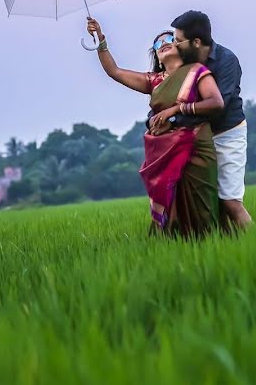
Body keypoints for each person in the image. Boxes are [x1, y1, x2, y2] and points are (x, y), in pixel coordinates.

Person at [86, 17, 235, 238]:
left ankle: (213, 246)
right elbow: (114, 71)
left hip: (196, 147)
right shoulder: (154, 81)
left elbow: (215, 103)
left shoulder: (196, 71)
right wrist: (100, 39)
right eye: (157, 44)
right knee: (172, 208)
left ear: (180, 46)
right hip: (163, 151)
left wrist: (176, 109)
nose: (162, 43)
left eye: (169, 39)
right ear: (156, 56)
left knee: (202, 206)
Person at [150, 10, 253, 229]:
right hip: (197, 137)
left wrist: (175, 114)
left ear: (196, 42)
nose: (174, 45)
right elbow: (166, 95)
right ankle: (227, 246)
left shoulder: (227, 61)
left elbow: (218, 107)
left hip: (227, 133)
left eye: (178, 40)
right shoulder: (185, 62)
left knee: (230, 201)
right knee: (210, 201)